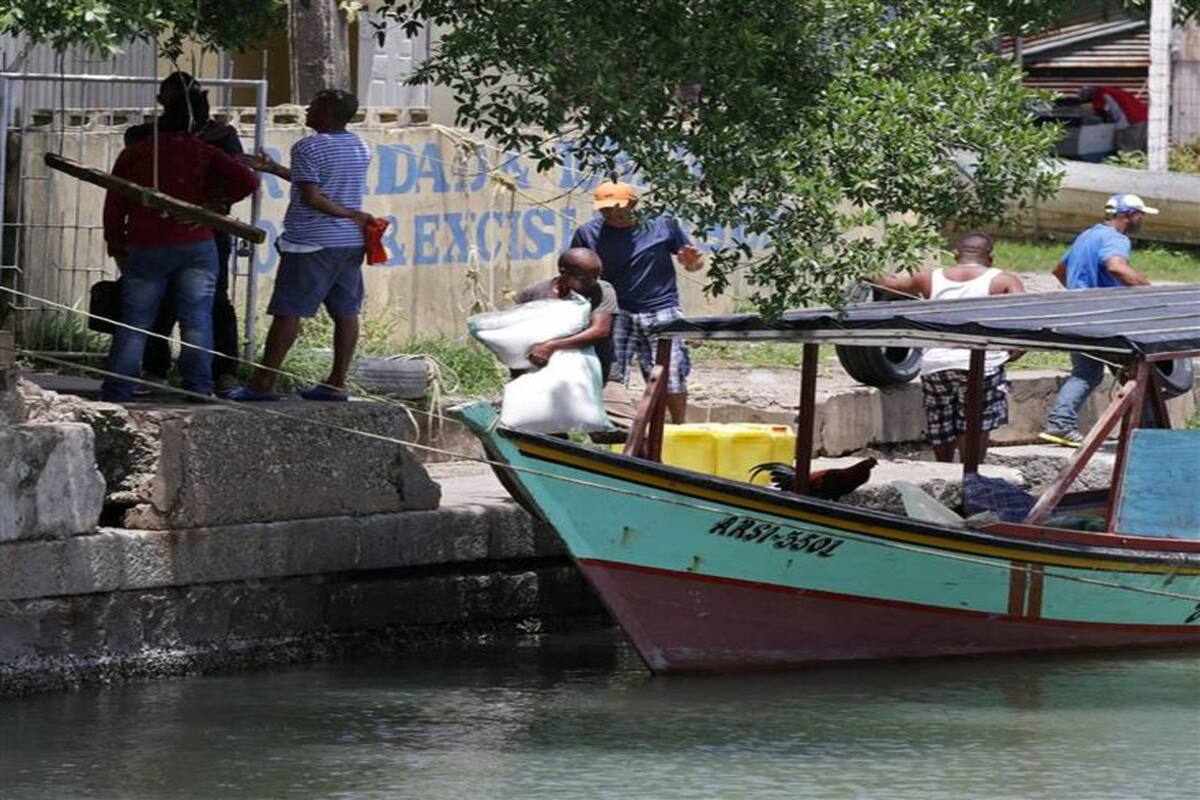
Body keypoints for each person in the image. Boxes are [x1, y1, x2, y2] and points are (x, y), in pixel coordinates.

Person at [100, 85, 259, 402]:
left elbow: (114, 202)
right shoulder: (204, 151)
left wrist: (116, 244)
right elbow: (248, 180)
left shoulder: (137, 151)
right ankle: (199, 387)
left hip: (146, 245)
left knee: (135, 321)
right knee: (197, 319)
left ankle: (119, 388)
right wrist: (212, 208)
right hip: (196, 244)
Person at [231, 89, 374, 401]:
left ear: (327, 112)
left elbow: (312, 196)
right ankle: (337, 382)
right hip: (349, 241)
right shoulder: (360, 146)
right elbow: (314, 182)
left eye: (314, 105)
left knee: (289, 311)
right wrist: (274, 169)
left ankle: (263, 383)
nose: (307, 109)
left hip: (312, 243)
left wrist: (350, 212)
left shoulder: (309, 146)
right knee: (346, 312)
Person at [878, 233, 1025, 463]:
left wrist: (862, 265)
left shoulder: (928, 278)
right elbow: (1026, 317)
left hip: (937, 364)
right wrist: (1016, 351)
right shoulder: (1004, 280)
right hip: (982, 365)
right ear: (991, 257)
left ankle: (944, 470)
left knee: (940, 418)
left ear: (955, 254)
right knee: (976, 421)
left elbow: (889, 285)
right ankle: (971, 474)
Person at [569, 181, 704, 423]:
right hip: (616, 313)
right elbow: (574, 271)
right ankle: (615, 429)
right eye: (605, 210)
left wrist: (692, 262)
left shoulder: (662, 225)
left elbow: (693, 265)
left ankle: (679, 428)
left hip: (661, 310)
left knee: (671, 374)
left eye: (618, 209)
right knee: (612, 375)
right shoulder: (588, 234)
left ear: (633, 204)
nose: (612, 215)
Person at [1039, 194, 1155, 447]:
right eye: (1141, 215)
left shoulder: (1088, 235)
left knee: (1086, 373)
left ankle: (1059, 424)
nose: (1142, 220)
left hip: (1077, 313)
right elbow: (1116, 267)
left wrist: (1079, 293)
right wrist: (1149, 292)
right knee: (1136, 372)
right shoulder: (1116, 238)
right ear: (1130, 215)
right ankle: (1147, 431)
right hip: (1103, 318)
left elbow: (1059, 270)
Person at [514, 248, 618, 375]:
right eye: (583, 278)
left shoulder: (602, 290)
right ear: (563, 271)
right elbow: (518, 329)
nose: (592, 282)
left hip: (589, 368)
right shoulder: (534, 294)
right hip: (541, 368)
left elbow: (600, 330)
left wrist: (552, 346)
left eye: (596, 276)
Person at [1079, 85, 1148, 153]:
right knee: (1139, 149)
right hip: (1144, 117)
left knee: (1126, 151)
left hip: (1130, 122)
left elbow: (1101, 112)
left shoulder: (1099, 93)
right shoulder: (1113, 90)